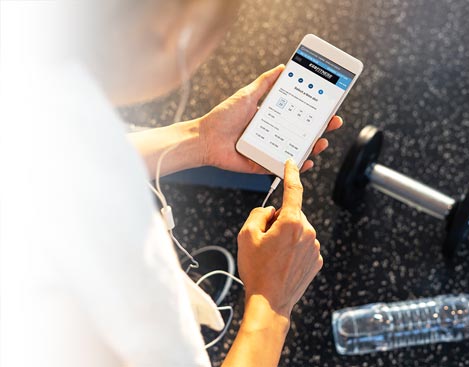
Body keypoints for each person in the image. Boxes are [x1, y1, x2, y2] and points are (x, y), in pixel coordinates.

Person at [0, 0, 343, 366]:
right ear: (172, 31)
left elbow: (50, 163)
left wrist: (201, 138)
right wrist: (272, 304)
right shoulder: (115, 258)